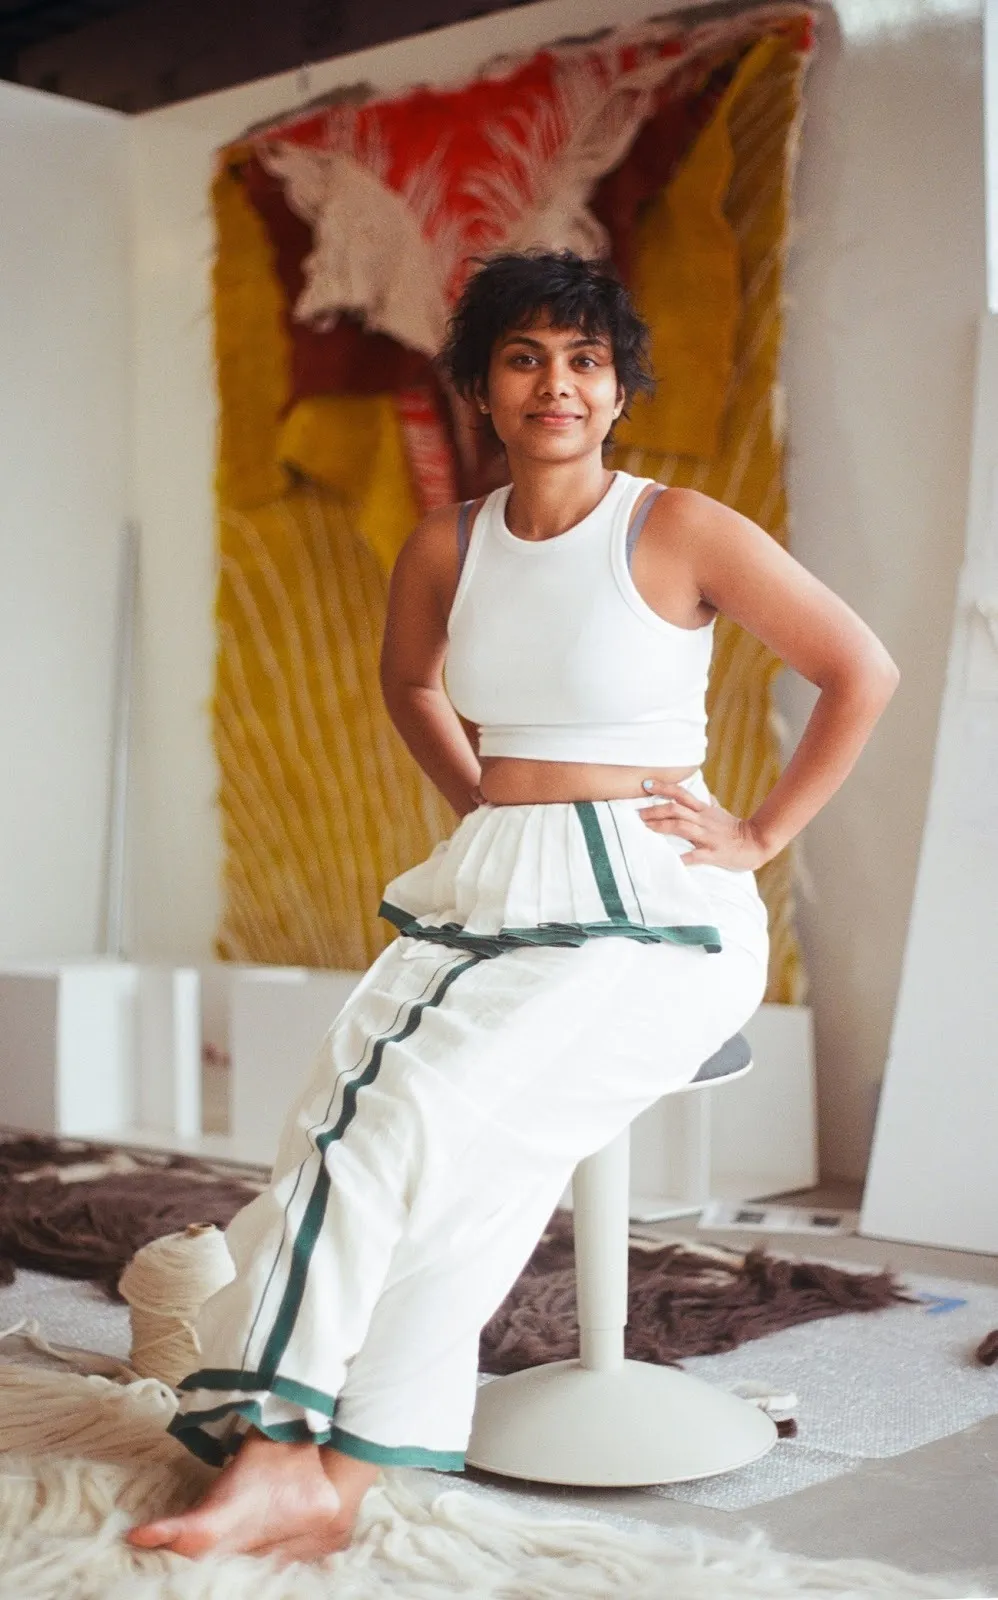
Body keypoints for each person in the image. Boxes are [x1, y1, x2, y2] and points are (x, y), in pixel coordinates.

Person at [126, 250, 898, 1565]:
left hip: (661, 908)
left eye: (585, 359)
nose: (558, 383)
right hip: (497, 880)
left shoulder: (678, 527)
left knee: (410, 1110)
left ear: (617, 389)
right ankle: (352, 1462)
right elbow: (410, 684)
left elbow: (857, 670)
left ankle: (270, 1440)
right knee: (350, 1116)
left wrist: (758, 833)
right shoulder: (447, 542)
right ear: (483, 388)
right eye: (527, 357)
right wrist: (489, 802)